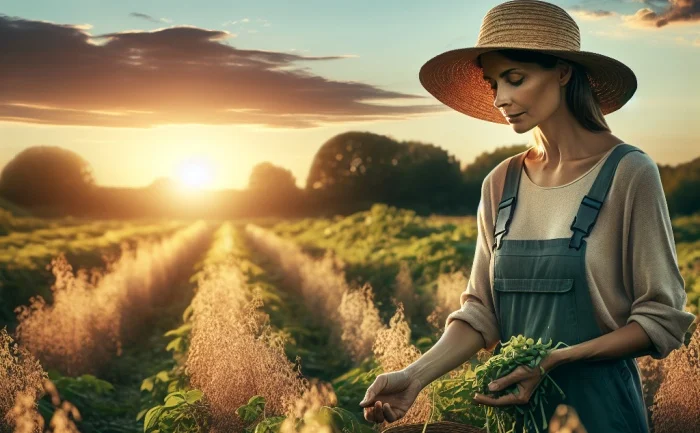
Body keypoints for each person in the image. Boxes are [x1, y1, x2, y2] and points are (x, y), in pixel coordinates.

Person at [358, 0, 697, 432]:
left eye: (515, 79)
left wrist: (554, 360)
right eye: (493, 82)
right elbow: (481, 314)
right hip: (515, 416)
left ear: (562, 72)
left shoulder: (629, 173)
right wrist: (414, 377)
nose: (501, 98)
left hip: (601, 414)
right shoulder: (501, 183)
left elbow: (661, 319)